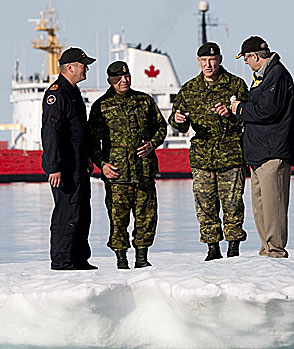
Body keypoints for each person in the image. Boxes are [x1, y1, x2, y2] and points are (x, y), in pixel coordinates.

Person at [170, 42, 249, 261]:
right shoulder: (189, 88)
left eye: (212, 60)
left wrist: (231, 115)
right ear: (198, 61)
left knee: (233, 203)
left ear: (220, 60)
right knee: (205, 204)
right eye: (204, 60)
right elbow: (178, 118)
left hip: (230, 153)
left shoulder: (236, 85)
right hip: (202, 156)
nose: (209, 64)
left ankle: (234, 249)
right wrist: (178, 120)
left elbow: (249, 118)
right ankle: (212, 249)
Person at [88, 61, 167, 269]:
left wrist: (152, 144)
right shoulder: (101, 106)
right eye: (119, 78)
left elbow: (161, 127)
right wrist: (102, 165)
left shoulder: (144, 101)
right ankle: (121, 260)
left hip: (143, 171)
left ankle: (142, 258)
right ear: (110, 80)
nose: (124, 80)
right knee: (118, 220)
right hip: (117, 175)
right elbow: (92, 142)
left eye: (127, 76)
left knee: (147, 217)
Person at [229, 36, 294, 258]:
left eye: (246, 59)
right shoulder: (263, 77)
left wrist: (240, 109)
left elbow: (268, 111)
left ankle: (276, 252)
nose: (246, 63)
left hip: (272, 152)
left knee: (273, 206)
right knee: (261, 207)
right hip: (259, 153)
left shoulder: (277, 75)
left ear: (255, 56)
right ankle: (267, 251)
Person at [41, 47, 97, 271]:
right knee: (67, 212)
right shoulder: (57, 94)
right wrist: (54, 167)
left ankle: (79, 259)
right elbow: (51, 132)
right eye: (84, 65)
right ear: (70, 67)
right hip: (64, 167)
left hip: (78, 165)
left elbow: (78, 132)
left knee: (83, 211)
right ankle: (62, 261)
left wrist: (87, 157)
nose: (87, 69)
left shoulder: (73, 92)